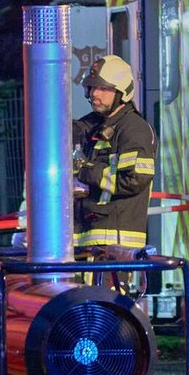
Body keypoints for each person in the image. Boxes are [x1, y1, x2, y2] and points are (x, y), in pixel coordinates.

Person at [71, 55, 156, 251]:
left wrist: (86, 171)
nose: (94, 94)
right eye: (91, 88)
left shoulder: (134, 129)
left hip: (115, 242)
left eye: (102, 88)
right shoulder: (94, 124)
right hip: (88, 238)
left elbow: (133, 180)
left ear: (121, 92)